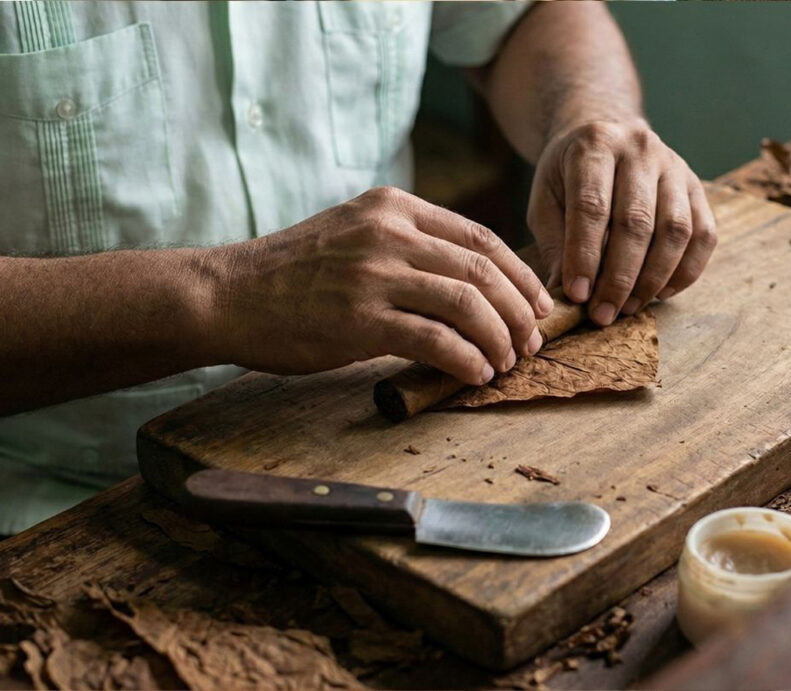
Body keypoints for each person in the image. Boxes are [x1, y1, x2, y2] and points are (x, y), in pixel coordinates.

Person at [0, 1, 717, 534]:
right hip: (64, 510)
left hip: (397, 459)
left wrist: (587, 108)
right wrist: (222, 296)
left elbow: (524, 17)